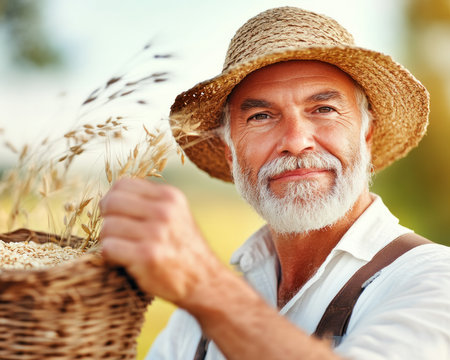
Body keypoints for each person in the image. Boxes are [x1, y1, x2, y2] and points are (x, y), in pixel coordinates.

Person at [99, 7, 450, 360]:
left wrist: (205, 286)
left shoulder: (432, 279)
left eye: (324, 109)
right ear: (230, 152)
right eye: (261, 116)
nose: (296, 141)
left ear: (366, 134)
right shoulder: (192, 325)